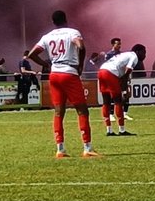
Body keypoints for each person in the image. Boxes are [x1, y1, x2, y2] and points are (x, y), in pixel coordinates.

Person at [27, 10, 98, 158]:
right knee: (82, 110)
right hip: (69, 73)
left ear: (53, 22)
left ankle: (60, 149)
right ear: (66, 19)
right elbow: (81, 46)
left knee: (59, 112)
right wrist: (80, 65)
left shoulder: (47, 36)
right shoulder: (72, 32)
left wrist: (46, 65)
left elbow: (31, 54)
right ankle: (87, 148)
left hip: (54, 74)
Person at [98, 43, 146, 136]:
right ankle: (122, 130)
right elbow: (128, 70)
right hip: (110, 73)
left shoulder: (125, 54)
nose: (144, 55)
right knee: (118, 101)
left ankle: (109, 130)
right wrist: (124, 89)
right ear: (137, 51)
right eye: (144, 52)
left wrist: (123, 83)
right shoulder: (134, 56)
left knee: (106, 101)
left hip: (101, 70)